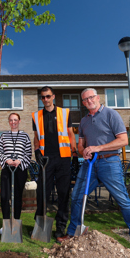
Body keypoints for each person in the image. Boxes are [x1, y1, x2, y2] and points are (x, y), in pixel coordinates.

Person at [60, 88, 130, 256]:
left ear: (98, 98)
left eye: (91, 98)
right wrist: (83, 151)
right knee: (77, 197)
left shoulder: (111, 114)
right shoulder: (84, 121)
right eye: (85, 100)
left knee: (123, 201)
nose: (88, 101)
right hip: (90, 165)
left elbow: (123, 140)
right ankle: (72, 233)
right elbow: (80, 145)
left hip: (110, 162)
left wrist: (98, 148)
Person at [32, 86, 77, 240]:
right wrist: (37, 150)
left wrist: (75, 153)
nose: (45, 99)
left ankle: (60, 227)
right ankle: (40, 225)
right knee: (42, 193)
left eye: (48, 96)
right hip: (45, 160)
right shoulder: (36, 115)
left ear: (53, 97)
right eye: (43, 97)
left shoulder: (65, 113)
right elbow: (36, 136)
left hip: (63, 159)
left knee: (64, 194)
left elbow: (70, 134)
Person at [0, 113, 32, 235]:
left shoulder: (25, 136)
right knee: (5, 197)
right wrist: (6, 160)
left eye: (15, 120)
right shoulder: (4, 136)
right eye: (11, 120)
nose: (13, 122)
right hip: (7, 169)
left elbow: (28, 152)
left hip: (20, 170)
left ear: (19, 121)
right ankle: (5, 224)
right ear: (9, 122)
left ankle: (16, 224)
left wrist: (20, 161)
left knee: (17, 197)